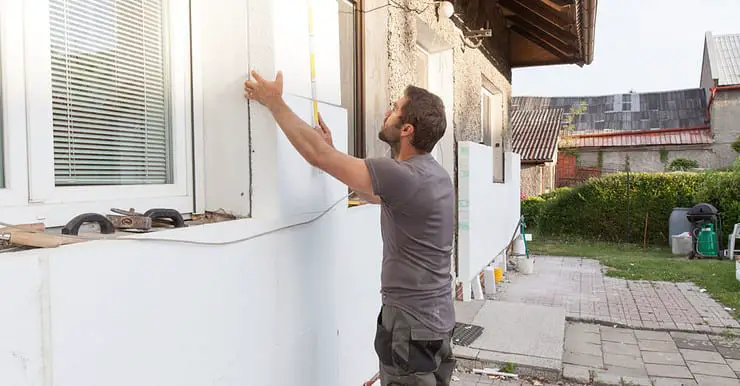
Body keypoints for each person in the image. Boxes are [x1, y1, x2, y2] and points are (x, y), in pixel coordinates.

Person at [244, 70, 456, 386]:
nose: (386, 113)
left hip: (410, 324)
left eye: (395, 109)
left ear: (406, 129)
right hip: (439, 320)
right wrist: (331, 154)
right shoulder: (435, 176)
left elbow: (317, 156)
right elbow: (371, 193)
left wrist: (275, 102)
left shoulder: (402, 175)